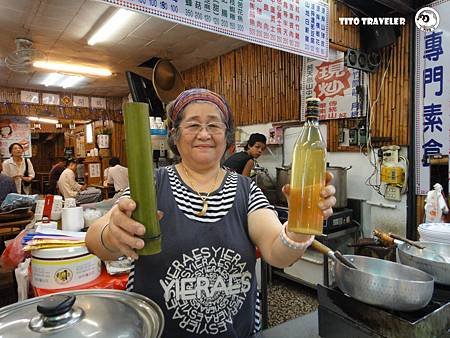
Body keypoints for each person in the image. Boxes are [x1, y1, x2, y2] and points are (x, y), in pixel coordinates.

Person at [86, 88, 336, 337]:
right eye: (193, 125)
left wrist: (298, 230)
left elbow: (277, 253)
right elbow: (95, 237)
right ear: (175, 135)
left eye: (214, 126)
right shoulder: (151, 184)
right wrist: (112, 235)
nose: (204, 134)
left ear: (226, 136)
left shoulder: (246, 190)